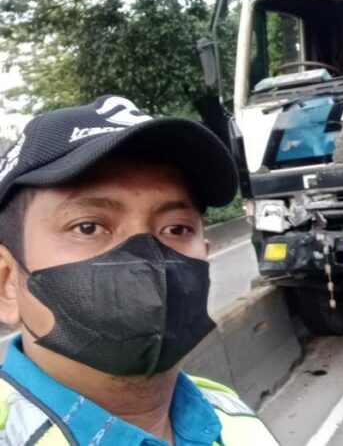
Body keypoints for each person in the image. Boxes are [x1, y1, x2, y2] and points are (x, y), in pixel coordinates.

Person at [0, 96, 278, 445]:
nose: (147, 264)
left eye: (176, 228)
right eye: (88, 227)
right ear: (7, 283)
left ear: (205, 257)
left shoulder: (232, 416)